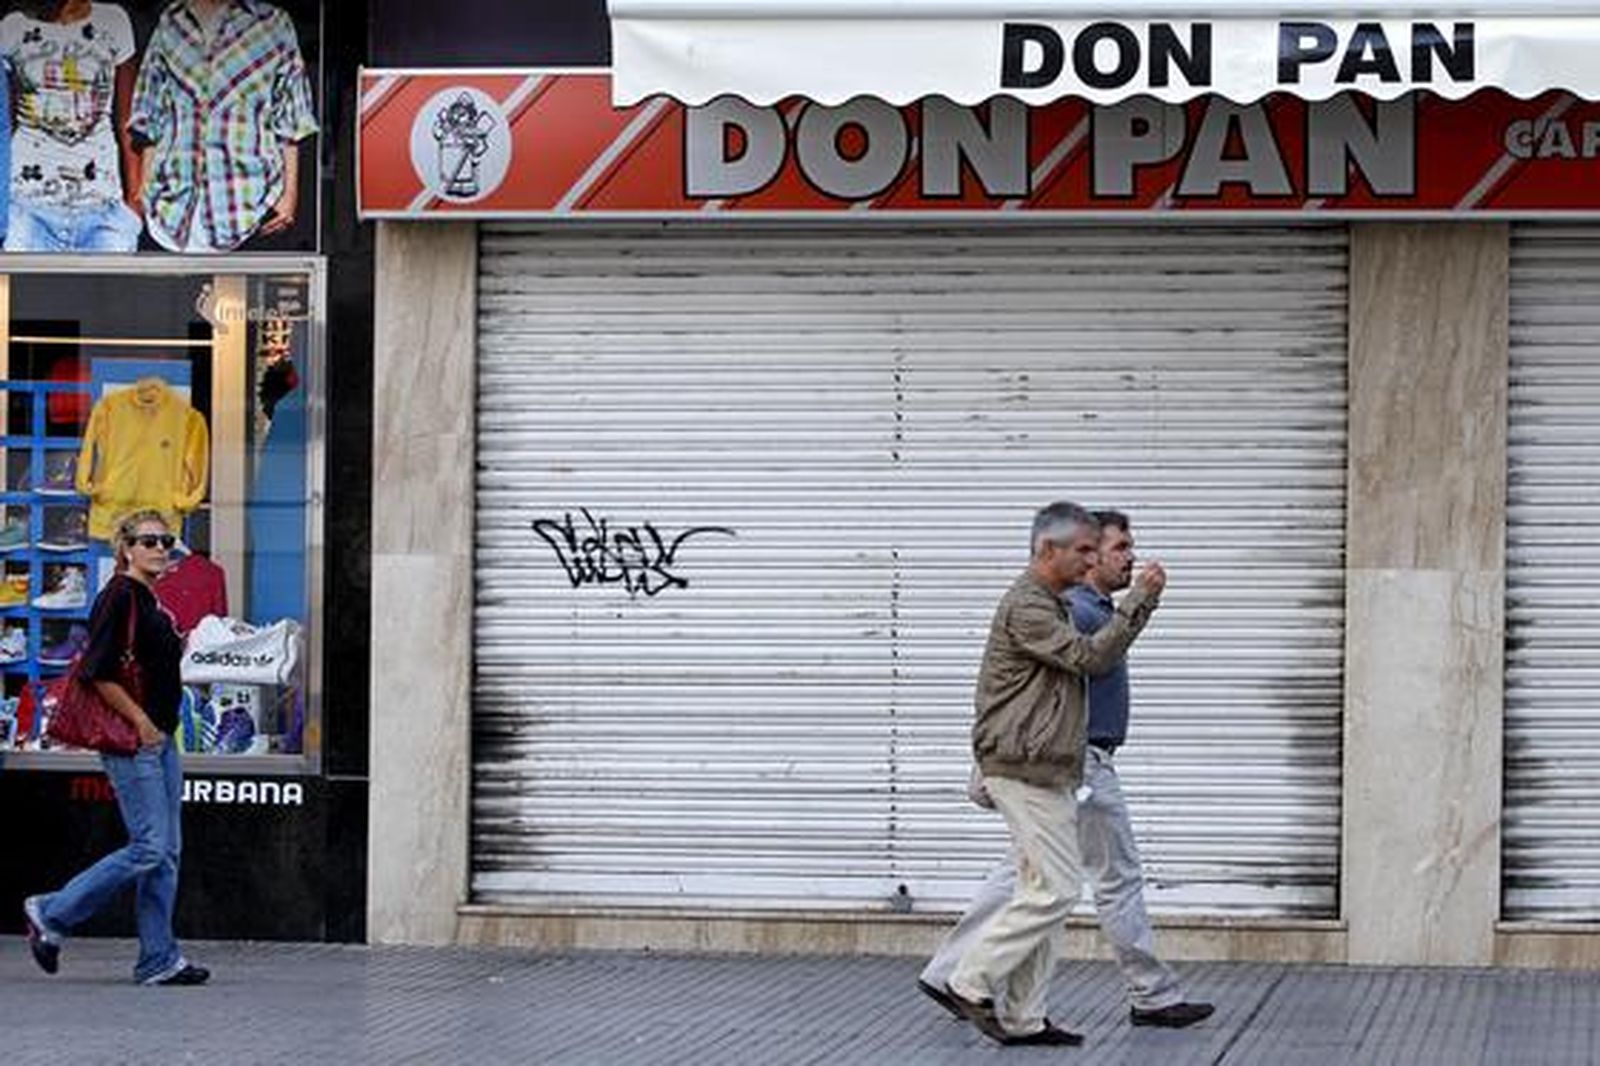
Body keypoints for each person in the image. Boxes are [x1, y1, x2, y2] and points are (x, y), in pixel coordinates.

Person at [919, 510, 1214, 1031]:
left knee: (1028, 879)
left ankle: (980, 990)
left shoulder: (1078, 606)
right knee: (1102, 880)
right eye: (1117, 548)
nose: (1129, 558)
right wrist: (1142, 601)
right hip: (1077, 764)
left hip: (1062, 765)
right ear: (1082, 554)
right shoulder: (1072, 611)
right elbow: (1081, 663)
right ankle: (1150, 994)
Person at [22, 510, 209, 987]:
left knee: (165, 853)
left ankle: (158, 959)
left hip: (159, 740)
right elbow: (97, 672)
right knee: (150, 847)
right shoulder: (119, 597)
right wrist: (142, 721)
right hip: (135, 741)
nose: (161, 548)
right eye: (148, 541)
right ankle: (52, 911)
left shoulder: (147, 599)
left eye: (167, 540)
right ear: (124, 548)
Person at [128, 0, 317, 252]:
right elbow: (150, 108)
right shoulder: (172, 21)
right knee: (177, 290)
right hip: (172, 203)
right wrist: (144, 187)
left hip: (248, 200)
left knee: (238, 291)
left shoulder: (272, 22)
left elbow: (291, 114)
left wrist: (289, 194)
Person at [0, 0, 143, 252]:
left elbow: (128, 120)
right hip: (28, 207)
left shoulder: (113, 22)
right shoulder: (13, 27)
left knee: (110, 291)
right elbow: (5, 122)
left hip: (103, 208)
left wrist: (134, 201)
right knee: (28, 291)